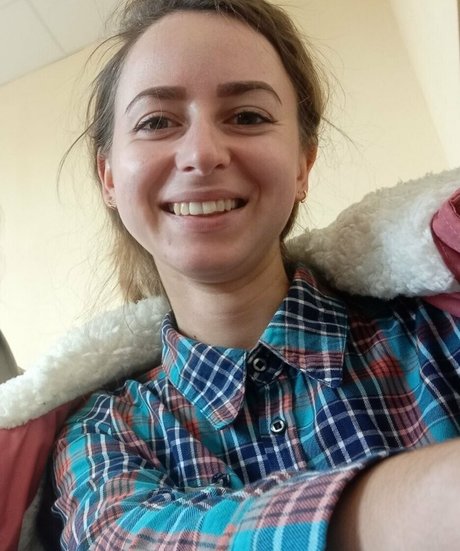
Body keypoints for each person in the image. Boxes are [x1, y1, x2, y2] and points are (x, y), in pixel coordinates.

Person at [1, 0, 460, 549]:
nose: (202, 153)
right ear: (110, 179)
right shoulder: (102, 436)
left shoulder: (437, 337)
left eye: (247, 116)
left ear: (303, 164)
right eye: (156, 122)